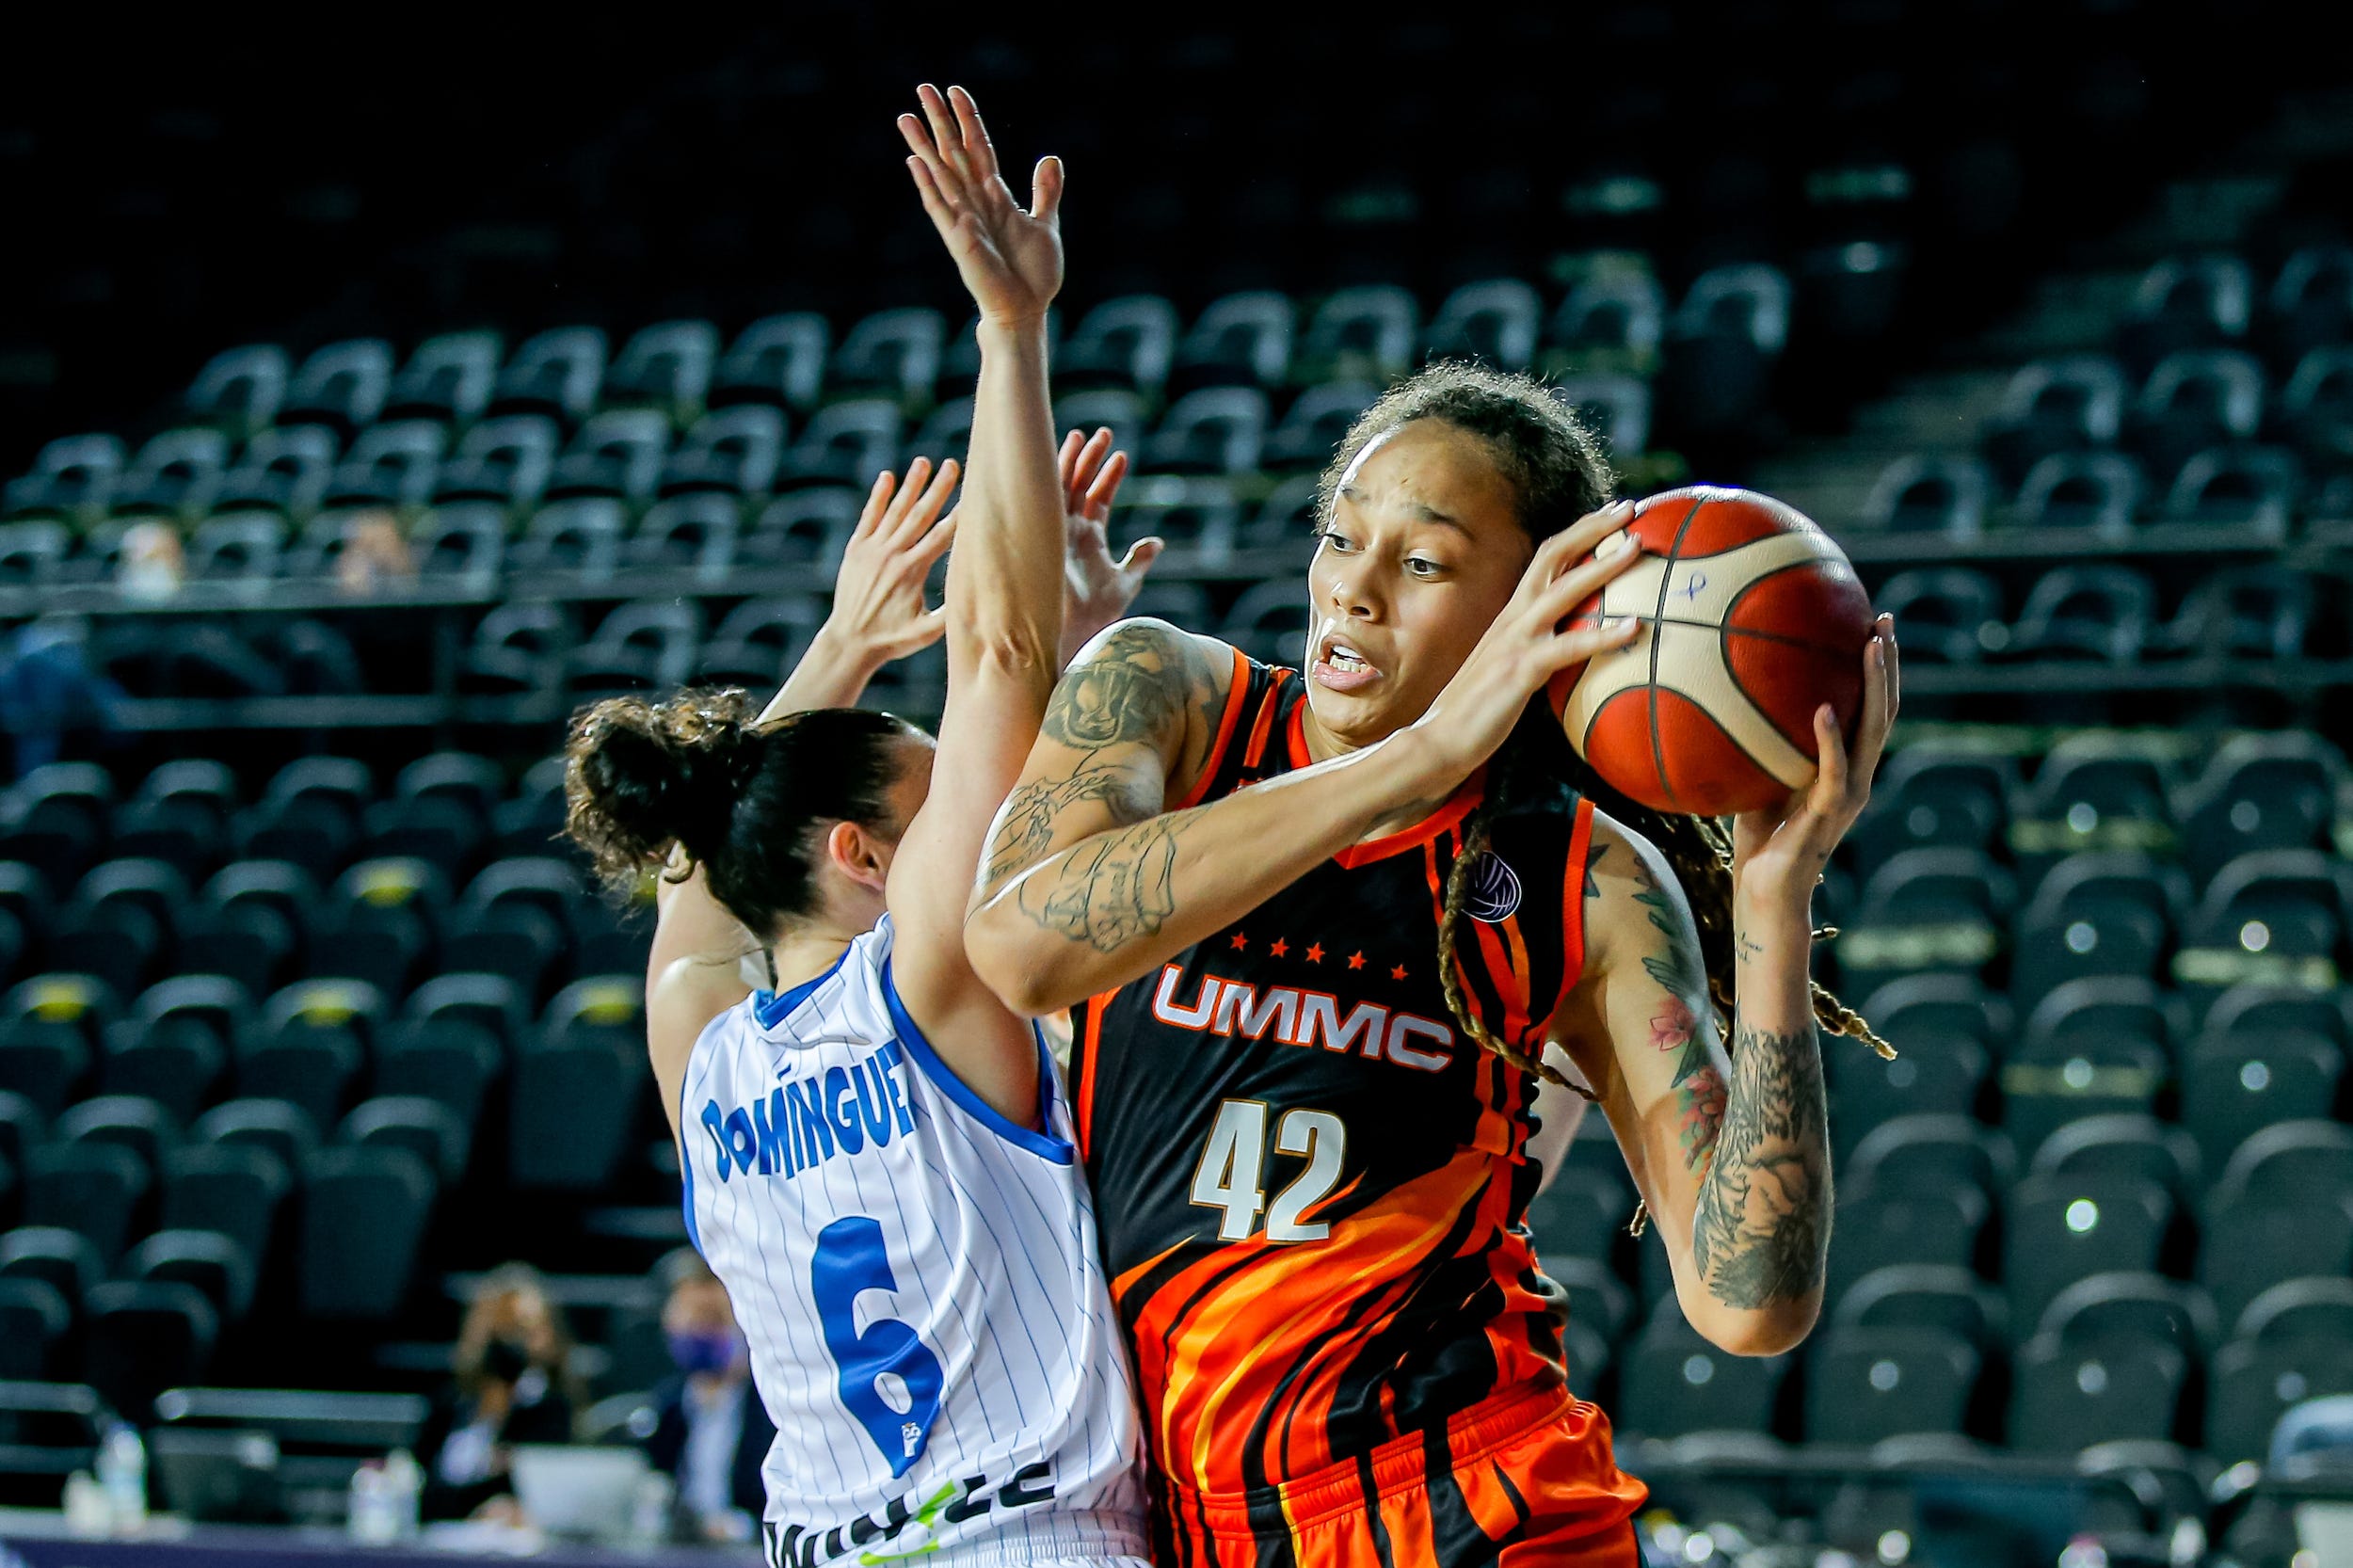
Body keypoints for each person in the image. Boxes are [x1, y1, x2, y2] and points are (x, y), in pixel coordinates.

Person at [968, 362, 1902, 1565]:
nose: (1352, 588)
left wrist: (1774, 910)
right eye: (1341, 537)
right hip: (1192, 1522)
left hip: (1470, 1496)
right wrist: (1420, 753)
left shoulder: (1584, 880)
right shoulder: (1173, 696)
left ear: (1539, 606)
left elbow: (1749, 1303)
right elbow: (1021, 947)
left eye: (1422, 563)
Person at [564, 87, 1157, 1567]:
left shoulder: (707, 1065)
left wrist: (835, 653)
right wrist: (1009, 335)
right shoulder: (930, 985)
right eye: (937, 781)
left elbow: (711, 868)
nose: (983, 791)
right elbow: (1001, 662)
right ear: (866, 857)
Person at [417, 1263, 584, 1523]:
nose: (515, 1343)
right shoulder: (451, 1402)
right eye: (505, 1328)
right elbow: (423, 1483)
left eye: (528, 1329)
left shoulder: (553, 1408)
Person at [641, 1250, 771, 1543]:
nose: (701, 1331)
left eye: (713, 1319)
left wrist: (740, 1527)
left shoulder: (771, 1409)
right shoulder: (667, 1406)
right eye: (691, 1319)